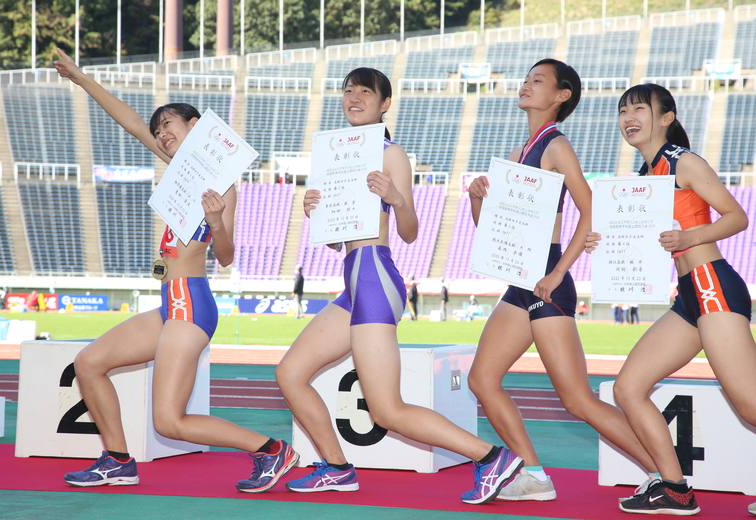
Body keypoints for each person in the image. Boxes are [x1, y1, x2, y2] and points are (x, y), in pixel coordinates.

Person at [53, 48, 298, 492]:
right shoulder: (179, 172)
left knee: (170, 420)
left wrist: (218, 220)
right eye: (158, 128)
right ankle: (118, 459)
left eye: (169, 124)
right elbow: (128, 121)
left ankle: (270, 449)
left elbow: (225, 256)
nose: (161, 132)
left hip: (191, 302)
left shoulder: (221, 182)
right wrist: (81, 79)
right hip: (170, 303)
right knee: (88, 363)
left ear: (196, 128)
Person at [275, 67, 522, 504]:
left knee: (386, 409)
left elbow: (409, 230)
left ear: (384, 103)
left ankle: (490, 457)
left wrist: (395, 198)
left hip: (374, 277)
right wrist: (318, 212)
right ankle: (336, 467)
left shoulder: (392, 154)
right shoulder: (339, 155)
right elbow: (339, 240)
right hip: (353, 280)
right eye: (347, 90)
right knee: (290, 373)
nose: (353, 97)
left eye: (364, 92)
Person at [467, 59, 658, 502]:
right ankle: (532, 473)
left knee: (577, 400)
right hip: (521, 282)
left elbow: (591, 210)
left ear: (561, 96)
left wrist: (557, 272)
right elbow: (495, 233)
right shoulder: (518, 154)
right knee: (482, 379)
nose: (526, 84)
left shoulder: (555, 145)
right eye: (526, 78)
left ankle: (662, 474)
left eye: (538, 80)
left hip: (548, 281)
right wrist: (478, 201)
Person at [586, 83, 756, 516]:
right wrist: (601, 244)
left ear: (666, 118)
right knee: (628, 388)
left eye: (639, 109)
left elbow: (737, 216)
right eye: (623, 111)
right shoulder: (645, 179)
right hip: (688, 297)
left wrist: (689, 236)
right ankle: (675, 489)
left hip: (712, 284)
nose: (629, 118)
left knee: (749, 403)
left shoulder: (685, 162)